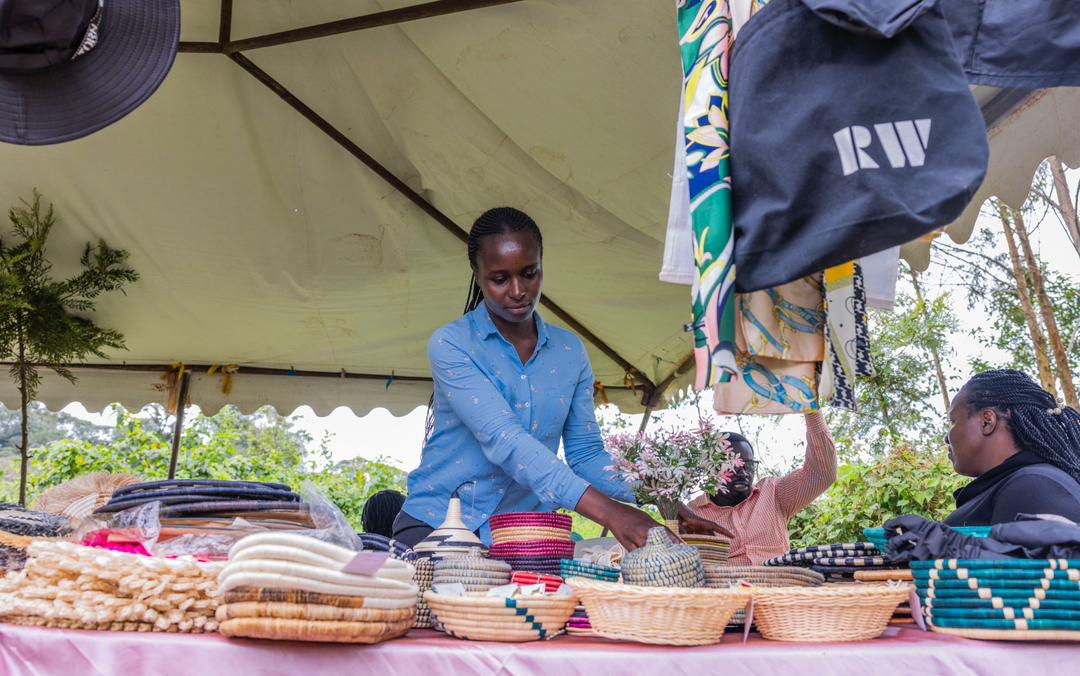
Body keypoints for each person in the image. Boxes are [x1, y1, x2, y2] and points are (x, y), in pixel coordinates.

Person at [393, 207, 660, 550]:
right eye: (500, 279)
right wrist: (611, 513)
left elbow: (586, 453)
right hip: (440, 524)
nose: (518, 290)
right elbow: (506, 440)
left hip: (525, 535)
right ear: (477, 274)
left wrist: (657, 495)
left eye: (530, 273)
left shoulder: (569, 351)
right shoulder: (452, 344)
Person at [677, 413, 838, 565]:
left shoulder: (774, 492)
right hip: (725, 590)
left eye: (748, 464)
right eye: (733, 464)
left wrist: (812, 410)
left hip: (781, 589)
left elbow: (822, 474)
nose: (743, 471)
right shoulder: (693, 514)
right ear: (710, 469)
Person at [944, 369, 1080, 526]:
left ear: (987, 421)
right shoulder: (1020, 483)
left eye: (953, 421)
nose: (946, 438)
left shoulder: (1033, 486)